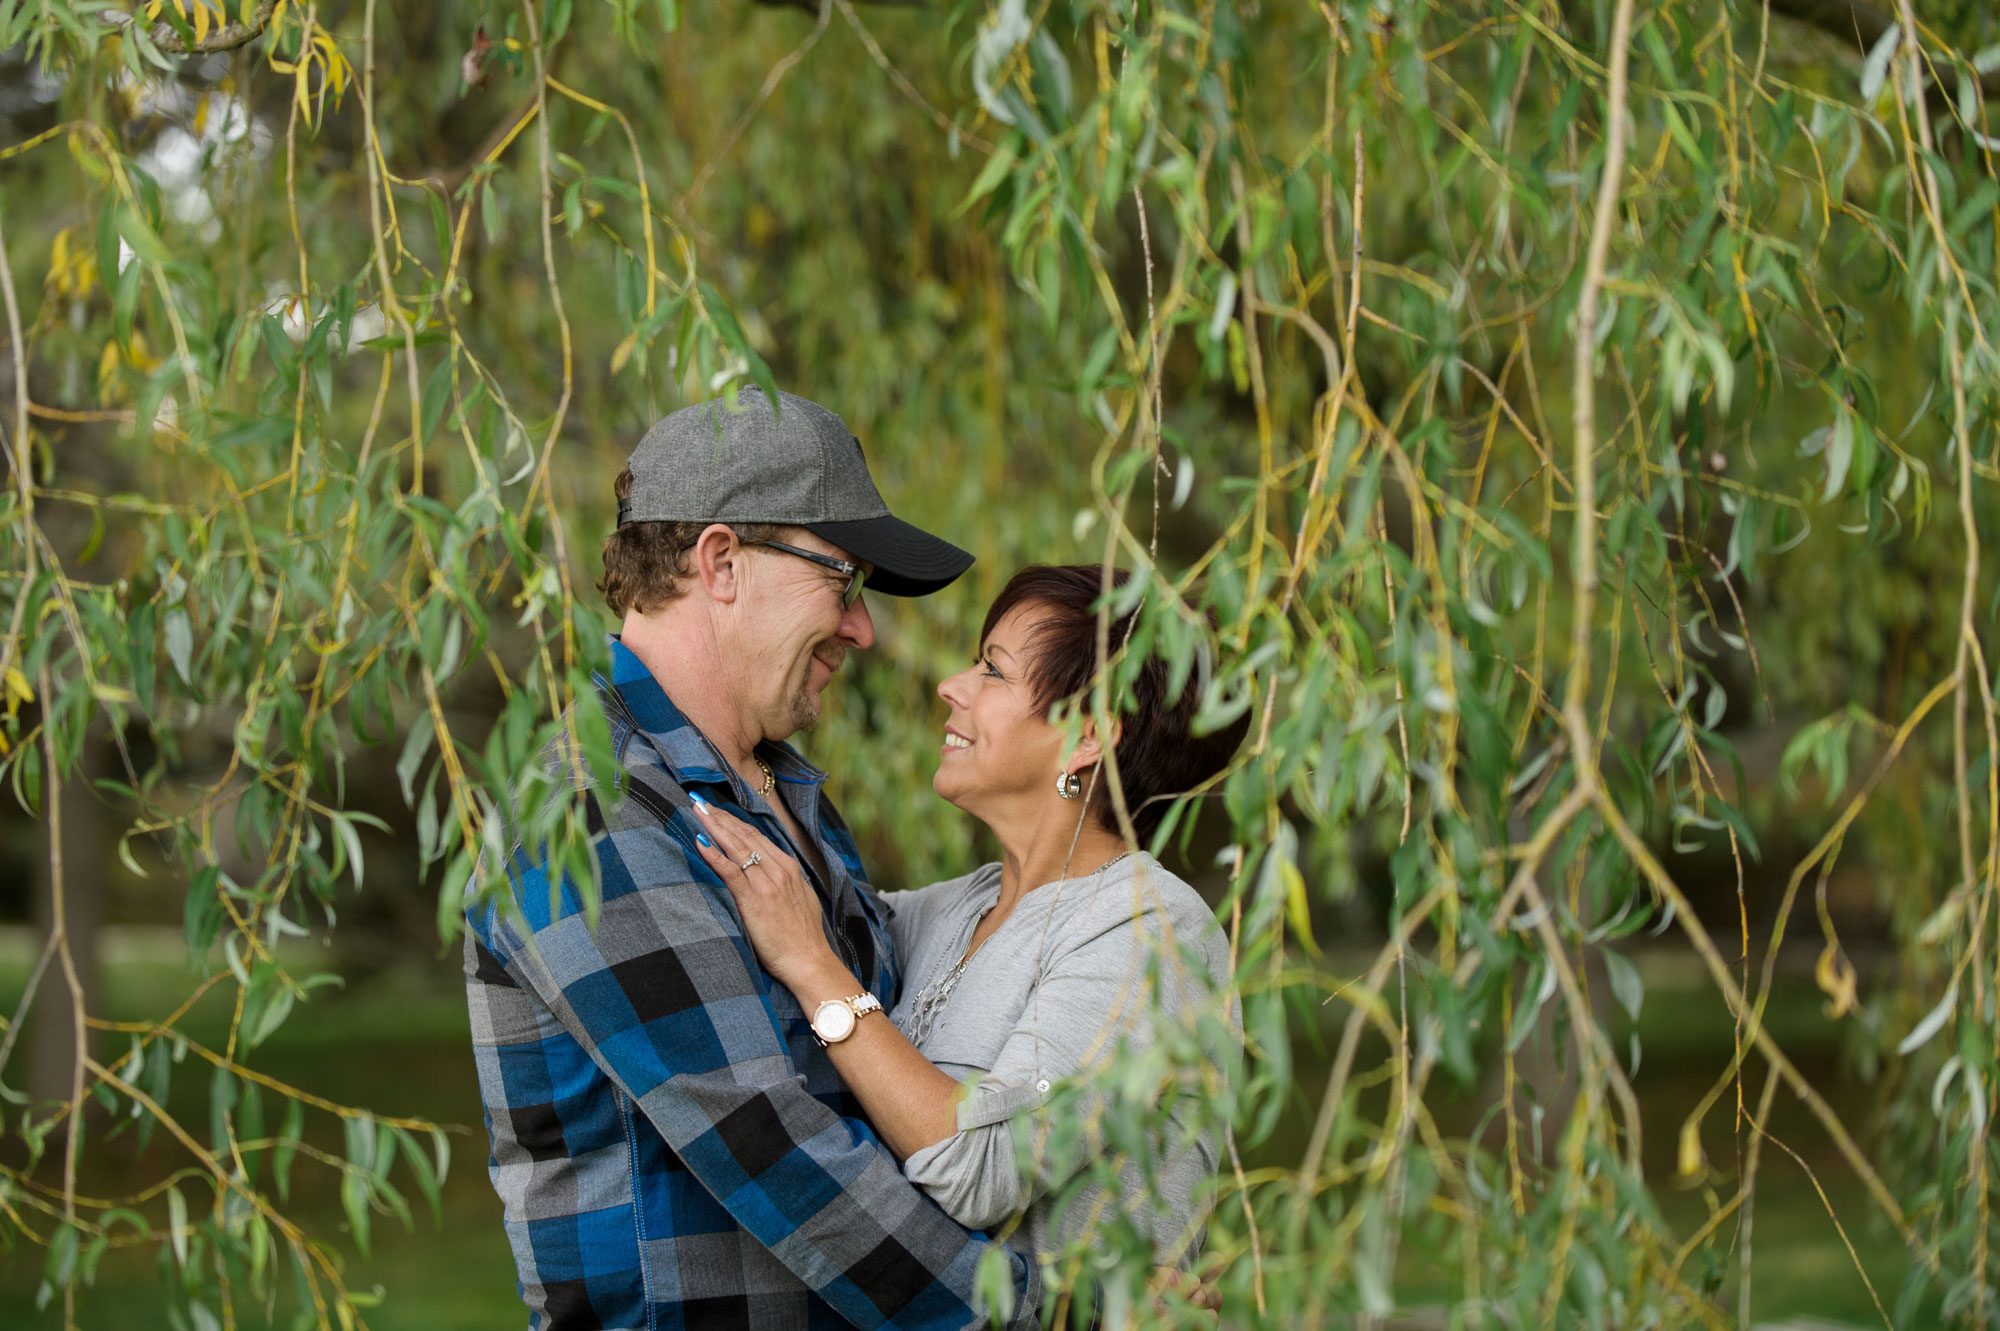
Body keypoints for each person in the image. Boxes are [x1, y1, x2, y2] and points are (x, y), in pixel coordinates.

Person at [462, 386, 1043, 1330]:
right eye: (841, 581)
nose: (861, 628)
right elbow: (774, 1148)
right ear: (721, 562)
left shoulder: (775, 789)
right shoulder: (587, 809)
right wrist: (1049, 1312)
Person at [689, 564, 1247, 1289]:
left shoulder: (1149, 931)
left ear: (1085, 735)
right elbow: (788, 916)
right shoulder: (950, 911)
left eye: (993, 670)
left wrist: (811, 963)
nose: (952, 685)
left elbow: (980, 1164)